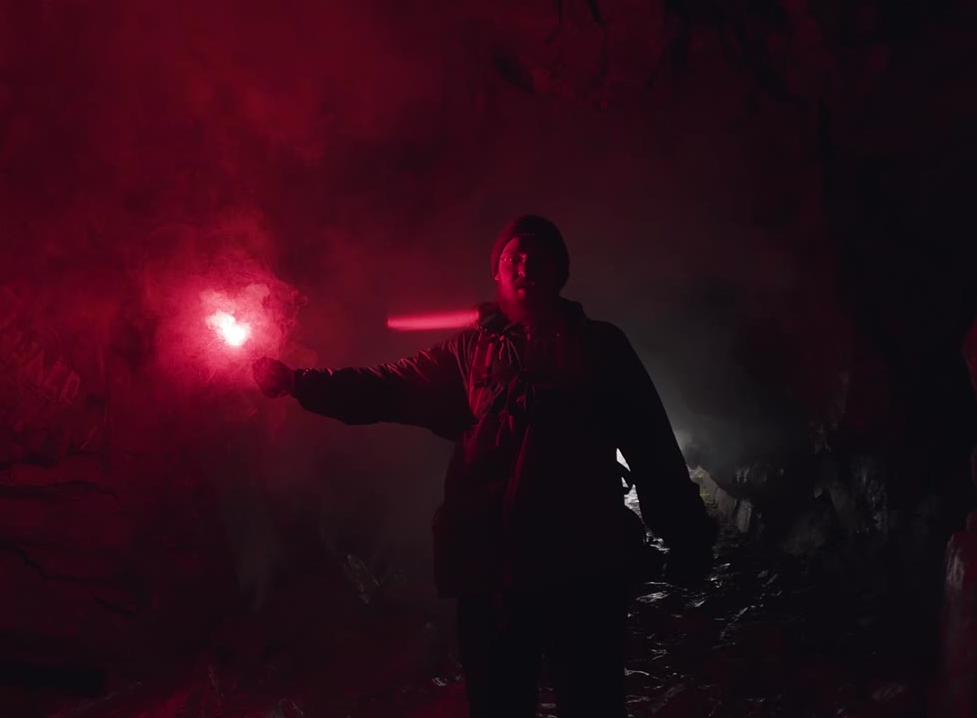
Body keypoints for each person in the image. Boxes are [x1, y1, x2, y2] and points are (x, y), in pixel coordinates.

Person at [252, 214, 717, 717]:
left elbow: (650, 441)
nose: (524, 265)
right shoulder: (468, 355)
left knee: (592, 704)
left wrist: (687, 536)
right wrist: (301, 384)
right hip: (491, 573)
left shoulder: (600, 345)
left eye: (538, 256)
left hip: (582, 570)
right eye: (512, 258)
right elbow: (384, 387)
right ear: (496, 275)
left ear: (560, 272)